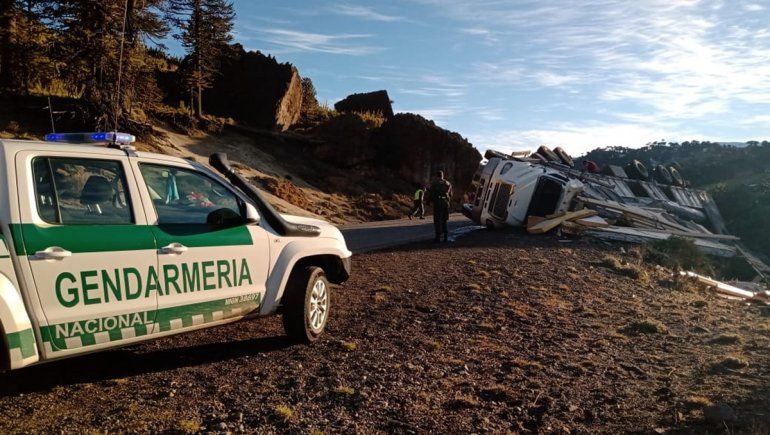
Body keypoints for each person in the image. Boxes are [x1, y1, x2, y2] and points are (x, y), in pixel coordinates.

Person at [427, 170, 452, 242]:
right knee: (444, 220)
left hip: (438, 202)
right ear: (442, 175)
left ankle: (438, 237)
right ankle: (445, 237)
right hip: (445, 203)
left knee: (437, 220)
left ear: (437, 176)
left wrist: (428, 202)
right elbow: (451, 194)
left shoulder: (435, 183)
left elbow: (431, 194)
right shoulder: (448, 183)